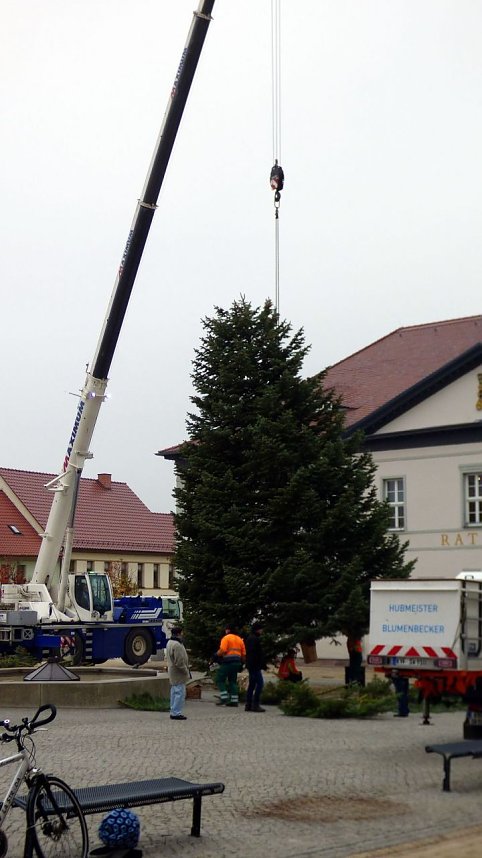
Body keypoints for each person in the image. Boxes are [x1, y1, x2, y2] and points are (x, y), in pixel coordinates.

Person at [216, 623, 246, 707]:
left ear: (228, 630)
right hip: (237, 663)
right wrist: (242, 663)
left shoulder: (226, 638)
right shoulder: (239, 639)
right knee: (232, 681)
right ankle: (234, 701)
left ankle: (224, 698)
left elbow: (222, 650)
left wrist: (216, 655)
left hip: (227, 662)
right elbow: (243, 654)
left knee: (220, 679)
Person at [165, 626, 190, 721]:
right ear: (179, 633)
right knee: (179, 693)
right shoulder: (177, 645)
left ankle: (173, 711)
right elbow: (179, 661)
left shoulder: (170, 643)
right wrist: (185, 671)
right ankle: (176, 712)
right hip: (178, 672)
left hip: (172, 671)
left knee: (174, 692)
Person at [245, 622, 267, 713]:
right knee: (260, 684)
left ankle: (248, 704)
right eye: (261, 629)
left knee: (252, 685)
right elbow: (255, 654)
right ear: (257, 629)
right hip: (255, 666)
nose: (262, 631)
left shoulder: (250, 638)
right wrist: (261, 664)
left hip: (251, 665)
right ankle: (255, 704)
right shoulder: (255, 639)